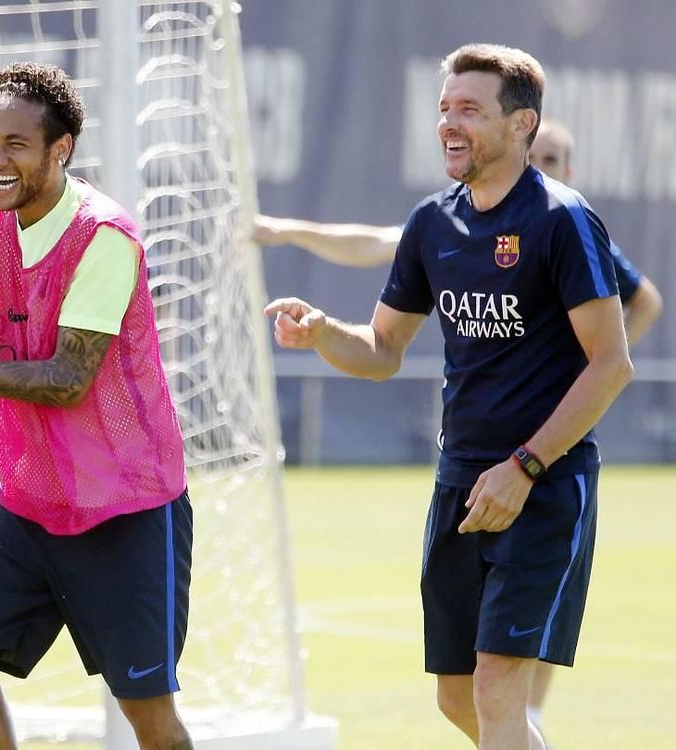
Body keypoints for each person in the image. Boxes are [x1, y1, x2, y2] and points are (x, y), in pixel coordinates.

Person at [266, 44, 634, 750]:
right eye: (443, 109)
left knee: (499, 685)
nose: (448, 124)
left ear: (522, 125)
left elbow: (611, 365)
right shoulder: (433, 223)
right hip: (459, 483)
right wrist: (321, 333)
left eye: (470, 109)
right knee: (457, 696)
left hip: (543, 486)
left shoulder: (563, 220)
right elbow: (380, 351)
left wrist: (524, 467)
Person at [0, 62, 193, 750]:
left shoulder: (107, 235)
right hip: (29, 499)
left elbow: (67, 381)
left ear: (61, 150)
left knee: (147, 714)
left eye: (16, 143)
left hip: (126, 506)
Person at [253, 120, 663, 348]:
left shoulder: (577, 232)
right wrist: (291, 230)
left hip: (551, 435)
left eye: (550, 159)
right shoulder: (460, 221)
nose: (537, 165)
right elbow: (378, 244)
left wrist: (596, 364)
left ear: (569, 172)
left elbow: (645, 301)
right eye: (532, 155)